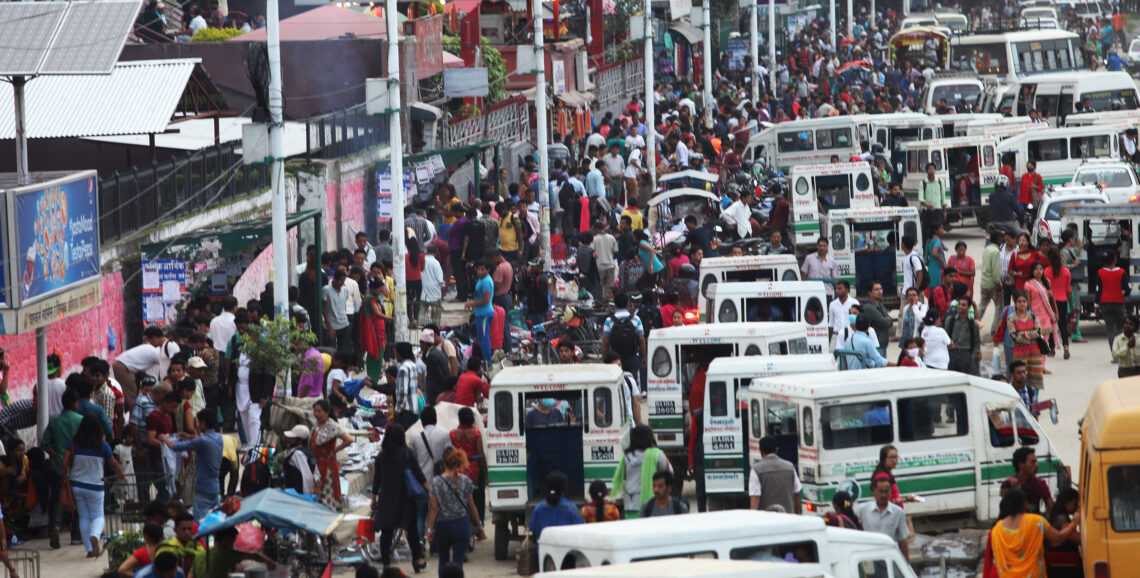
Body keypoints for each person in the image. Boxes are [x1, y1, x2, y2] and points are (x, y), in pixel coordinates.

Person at [65, 414, 126, 557]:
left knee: (83, 516)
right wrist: (122, 477)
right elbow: (114, 464)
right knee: (98, 515)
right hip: (95, 486)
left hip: (77, 485)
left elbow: (65, 462)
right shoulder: (102, 444)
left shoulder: (74, 442)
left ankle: (90, 550)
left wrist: (64, 477)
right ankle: (95, 535)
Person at [987, 488, 1079, 578]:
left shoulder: (996, 530)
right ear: (1024, 504)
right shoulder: (1036, 521)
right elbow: (1059, 537)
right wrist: (1074, 523)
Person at [372, 423, 426, 571]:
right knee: (412, 530)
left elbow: (376, 481)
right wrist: (429, 491)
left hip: (387, 498)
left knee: (386, 532)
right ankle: (417, 559)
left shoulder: (381, 457)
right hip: (405, 498)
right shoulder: (407, 454)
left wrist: (373, 500)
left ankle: (386, 564)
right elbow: (419, 474)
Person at [426, 448, 485, 577]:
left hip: (443, 526)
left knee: (443, 561)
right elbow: (472, 506)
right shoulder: (466, 481)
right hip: (461, 525)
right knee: (458, 563)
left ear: (444, 463)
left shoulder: (435, 482)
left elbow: (434, 509)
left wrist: (430, 530)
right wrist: (479, 526)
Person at [165, 410, 223, 522]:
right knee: (216, 523)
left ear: (203, 423)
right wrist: (189, 435)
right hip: (215, 488)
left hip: (203, 490)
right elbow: (200, 440)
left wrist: (163, 437)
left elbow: (174, 446)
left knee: (200, 524)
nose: (196, 424)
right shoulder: (218, 438)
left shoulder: (202, 441)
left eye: (198, 422)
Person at [42, 389, 82, 548]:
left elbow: (43, 443)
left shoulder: (55, 421)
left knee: (59, 498)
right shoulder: (81, 420)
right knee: (78, 500)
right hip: (77, 466)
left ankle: (56, 526)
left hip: (59, 466)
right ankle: (76, 535)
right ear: (75, 403)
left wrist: (53, 453)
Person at [611, 425, 670, 518]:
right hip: (649, 502)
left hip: (629, 503)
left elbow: (623, 476)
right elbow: (669, 473)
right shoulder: (656, 454)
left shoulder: (626, 456)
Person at [187, 525, 277, 578]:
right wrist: (270, 563)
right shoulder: (225, 553)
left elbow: (190, 576)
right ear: (226, 539)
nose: (234, 543)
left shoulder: (200, 555)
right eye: (233, 540)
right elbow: (254, 556)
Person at [311, 399, 353, 509]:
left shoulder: (332, 426)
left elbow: (349, 439)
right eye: (315, 411)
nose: (316, 414)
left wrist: (335, 450)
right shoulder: (315, 425)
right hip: (316, 466)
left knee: (327, 496)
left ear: (327, 412)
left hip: (327, 466)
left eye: (319, 411)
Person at [857, 477, 910, 561]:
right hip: (869, 557)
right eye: (880, 491)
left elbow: (902, 539)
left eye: (886, 491)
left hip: (890, 558)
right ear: (874, 490)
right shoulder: (863, 509)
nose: (883, 495)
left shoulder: (898, 512)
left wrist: (907, 562)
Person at [449, 407, 485, 522]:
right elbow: (481, 454)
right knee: (478, 494)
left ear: (459, 419)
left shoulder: (453, 434)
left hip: (458, 468)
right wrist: (485, 470)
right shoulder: (476, 434)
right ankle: (479, 522)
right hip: (473, 468)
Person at [749, 435, 801, 514]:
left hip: (768, 520)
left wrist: (753, 519)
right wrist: (798, 515)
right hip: (789, 519)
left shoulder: (756, 470)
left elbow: (755, 497)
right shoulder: (790, 467)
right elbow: (797, 493)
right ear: (776, 450)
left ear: (760, 450)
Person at [1005, 290, 1045, 390]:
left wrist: (1023, 334)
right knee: (1019, 379)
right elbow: (1013, 336)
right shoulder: (1011, 318)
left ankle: (1034, 401)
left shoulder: (1033, 316)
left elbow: (1038, 332)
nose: (1022, 304)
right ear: (1015, 303)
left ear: (1027, 303)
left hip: (1035, 352)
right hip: (1019, 353)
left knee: (1036, 378)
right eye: (1019, 301)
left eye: (1024, 301)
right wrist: (1030, 337)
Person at [528, 471, 584, 538]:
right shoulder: (571, 509)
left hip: (544, 548)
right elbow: (580, 530)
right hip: (566, 547)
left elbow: (532, 528)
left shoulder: (538, 508)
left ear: (547, 487)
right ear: (564, 489)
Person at [1000, 447, 1054, 515]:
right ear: (1021, 465)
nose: (1037, 465)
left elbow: (1051, 507)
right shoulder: (1008, 484)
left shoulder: (1040, 483)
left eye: (1036, 461)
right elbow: (1004, 510)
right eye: (1032, 462)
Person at [1044, 487, 1082, 578]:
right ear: (1067, 503)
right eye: (1075, 503)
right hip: (1063, 563)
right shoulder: (1062, 519)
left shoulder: (1056, 516)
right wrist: (1075, 521)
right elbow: (1077, 539)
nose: (1077, 507)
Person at [1098, 251, 1130, 358]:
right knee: (1121, 328)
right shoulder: (1121, 272)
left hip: (1105, 303)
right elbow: (1127, 288)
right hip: (1119, 303)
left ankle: (1114, 355)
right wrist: (1124, 294)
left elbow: (1099, 290)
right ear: (1115, 260)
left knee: (1110, 329)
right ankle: (1122, 352)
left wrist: (1096, 305)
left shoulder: (1100, 272)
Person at [1044, 248, 1073, 360]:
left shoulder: (1046, 271)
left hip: (1051, 301)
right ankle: (1066, 346)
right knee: (1062, 325)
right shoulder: (1066, 271)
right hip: (1063, 300)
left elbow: (1046, 289)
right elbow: (1068, 290)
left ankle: (1052, 348)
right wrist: (1072, 305)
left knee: (1051, 325)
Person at [465, 260, 494, 367]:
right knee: (481, 339)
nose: (480, 271)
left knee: (484, 339)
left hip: (484, 314)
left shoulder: (486, 281)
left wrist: (472, 303)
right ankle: (485, 361)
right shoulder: (481, 280)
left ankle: (488, 362)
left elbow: (486, 300)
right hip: (480, 314)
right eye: (478, 269)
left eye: (482, 269)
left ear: (488, 270)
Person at [360, 279, 390, 381]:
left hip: (378, 329)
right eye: (379, 290)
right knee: (376, 352)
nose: (380, 292)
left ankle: (373, 376)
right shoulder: (372, 300)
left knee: (375, 352)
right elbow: (377, 314)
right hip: (375, 330)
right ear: (373, 288)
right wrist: (391, 319)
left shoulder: (370, 297)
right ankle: (374, 376)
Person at [980, 231, 1006, 337]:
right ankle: (995, 330)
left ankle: (973, 324)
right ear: (999, 239)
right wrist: (999, 284)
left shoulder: (987, 249)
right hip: (993, 284)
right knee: (999, 306)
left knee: (982, 305)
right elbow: (996, 270)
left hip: (984, 282)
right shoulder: (996, 252)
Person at [281, 424, 315, 495]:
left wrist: (307, 496)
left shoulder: (298, 454)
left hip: (297, 493)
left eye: (292, 439)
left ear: (300, 440)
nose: (289, 440)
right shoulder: (309, 451)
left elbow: (307, 476)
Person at [862, 281, 894, 357]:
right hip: (875, 345)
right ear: (869, 293)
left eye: (880, 289)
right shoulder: (869, 307)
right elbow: (883, 322)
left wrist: (888, 320)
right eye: (876, 290)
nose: (879, 292)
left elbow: (890, 321)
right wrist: (888, 320)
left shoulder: (880, 305)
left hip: (882, 345)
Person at [918, 162, 947, 239]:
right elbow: (920, 198)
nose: (931, 171)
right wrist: (927, 205)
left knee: (937, 233)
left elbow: (943, 198)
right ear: (927, 171)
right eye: (930, 169)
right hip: (927, 212)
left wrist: (944, 212)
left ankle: (937, 248)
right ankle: (926, 249)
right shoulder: (923, 183)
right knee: (926, 233)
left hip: (937, 211)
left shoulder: (940, 182)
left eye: (933, 169)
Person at [827, 280, 859, 345]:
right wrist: (829, 340)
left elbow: (858, 321)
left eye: (840, 288)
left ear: (847, 290)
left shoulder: (854, 303)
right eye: (836, 288)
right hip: (836, 336)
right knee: (834, 354)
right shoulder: (833, 304)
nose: (837, 291)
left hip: (851, 335)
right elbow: (831, 323)